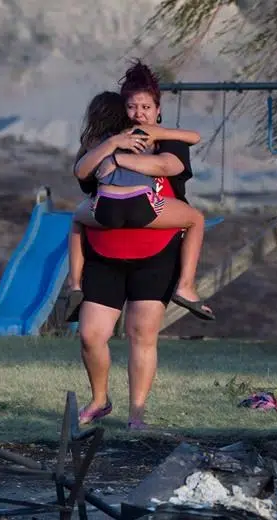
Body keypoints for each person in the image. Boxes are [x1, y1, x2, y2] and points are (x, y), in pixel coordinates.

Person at [66, 61, 215, 431]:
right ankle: (100, 401)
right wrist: (113, 147)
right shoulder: (106, 138)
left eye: (146, 107)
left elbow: (170, 167)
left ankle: (137, 415)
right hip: (106, 253)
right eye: (132, 107)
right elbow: (85, 177)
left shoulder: (168, 140)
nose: (139, 113)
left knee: (141, 334)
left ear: (158, 109)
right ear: (123, 107)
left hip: (156, 252)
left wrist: (125, 158)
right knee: (90, 335)